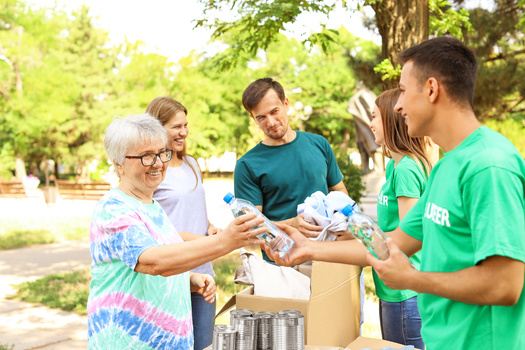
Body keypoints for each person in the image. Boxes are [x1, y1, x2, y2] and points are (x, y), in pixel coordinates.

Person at [265, 36, 525, 350]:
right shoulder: (447, 166)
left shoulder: (489, 165)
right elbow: (390, 245)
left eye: (402, 90)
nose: (397, 105)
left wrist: (413, 279)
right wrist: (307, 249)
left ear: (431, 89)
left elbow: (505, 284)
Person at [87, 114, 265, 350]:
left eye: (162, 153)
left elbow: (162, 260)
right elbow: (154, 263)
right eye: (146, 156)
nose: (158, 163)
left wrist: (190, 279)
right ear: (119, 163)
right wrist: (226, 241)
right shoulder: (114, 209)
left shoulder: (152, 206)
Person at [234, 77, 348, 262]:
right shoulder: (247, 165)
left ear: (286, 104)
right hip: (284, 264)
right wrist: (290, 225)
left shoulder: (319, 144)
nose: (270, 122)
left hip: (328, 256)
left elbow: (340, 192)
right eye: (261, 117)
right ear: (252, 118)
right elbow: (251, 231)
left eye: (274, 111)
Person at [146, 96, 220, 350]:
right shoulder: (151, 170)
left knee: (204, 346)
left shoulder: (191, 163)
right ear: (157, 128)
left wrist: (209, 227)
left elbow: (192, 207)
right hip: (171, 273)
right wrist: (203, 241)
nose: (184, 132)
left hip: (203, 272)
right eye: (176, 127)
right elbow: (149, 226)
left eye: (186, 125)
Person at [369, 88, 430, 348]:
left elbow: (409, 238)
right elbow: (389, 226)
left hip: (405, 294)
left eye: (374, 117)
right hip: (391, 289)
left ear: (392, 121)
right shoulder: (394, 165)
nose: (370, 124)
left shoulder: (405, 169)